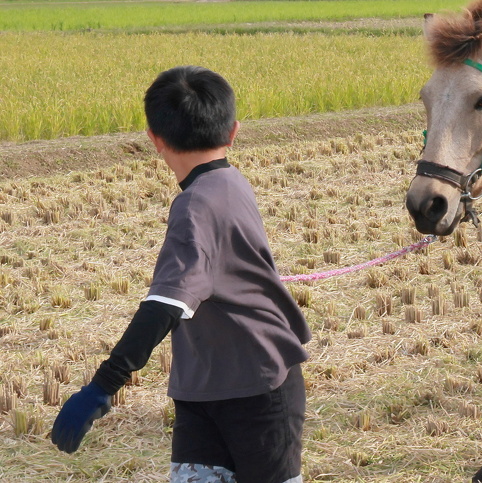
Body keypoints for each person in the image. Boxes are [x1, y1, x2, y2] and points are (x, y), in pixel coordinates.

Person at [51, 65, 311, 483]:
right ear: (233, 132)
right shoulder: (230, 182)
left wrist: (101, 386)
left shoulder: (195, 204)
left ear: (154, 139)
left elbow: (165, 305)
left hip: (255, 392)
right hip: (204, 389)